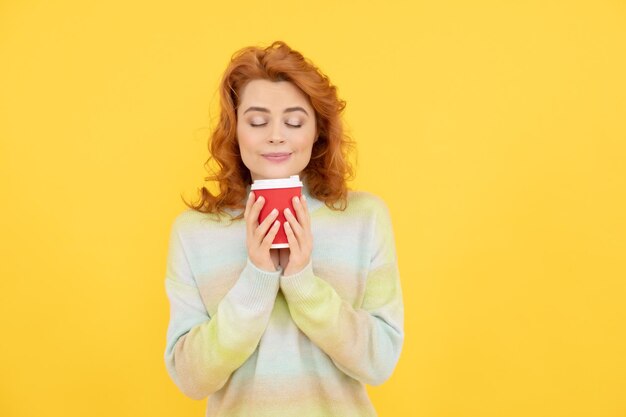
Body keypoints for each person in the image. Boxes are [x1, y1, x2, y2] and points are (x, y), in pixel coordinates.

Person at [163, 40, 404, 417]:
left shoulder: (364, 218)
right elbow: (191, 379)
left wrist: (303, 284)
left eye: (294, 121)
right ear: (235, 130)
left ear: (317, 133)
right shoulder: (194, 233)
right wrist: (256, 279)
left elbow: (380, 362)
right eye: (257, 121)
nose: (276, 135)